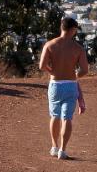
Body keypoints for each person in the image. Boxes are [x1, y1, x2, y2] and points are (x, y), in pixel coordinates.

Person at [38, 16, 89, 160]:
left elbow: (42, 66)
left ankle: (54, 146)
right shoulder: (78, 48)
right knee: (67, 118)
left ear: (62, 28)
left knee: (54, 116)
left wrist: (52, 71)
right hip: (71, 85)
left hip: (55, 84)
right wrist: (74, 74)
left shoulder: (50, 45)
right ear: (73, 30)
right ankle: (63, 150)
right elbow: (85, 70)